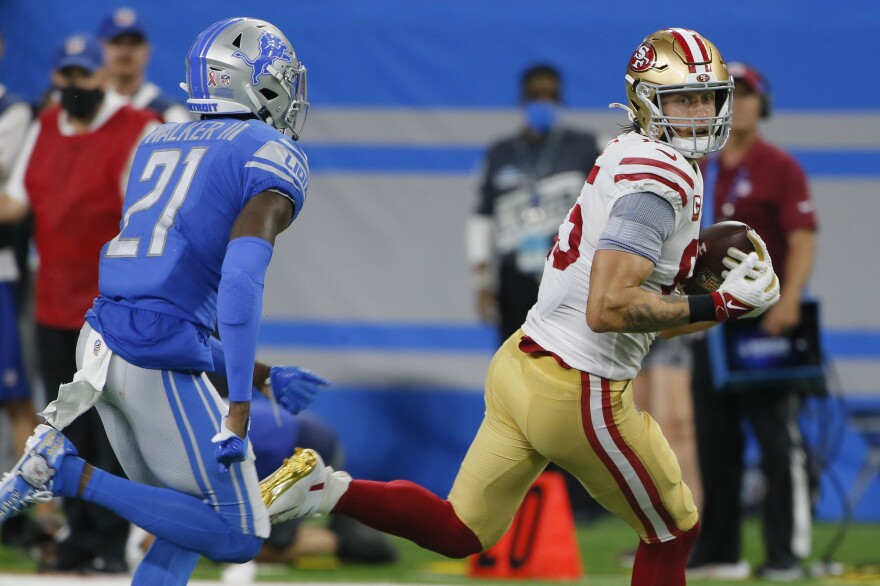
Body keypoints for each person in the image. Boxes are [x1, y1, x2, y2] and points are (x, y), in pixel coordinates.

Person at [259, 29, 781, 586]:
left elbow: (634, 320)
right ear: (646, 101)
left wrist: (705, 305)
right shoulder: (660, 181)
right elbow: (608, 310)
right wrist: (719, 303)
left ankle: (325, 488)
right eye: (682, 99)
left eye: (707, 97)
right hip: (580, 387)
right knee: (673, 530)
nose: (699, 112)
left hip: (523, 365)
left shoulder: (631, 152)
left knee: (460, 530)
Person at [0, 17, 319, 585]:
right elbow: (241, 284)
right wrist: (239, 404)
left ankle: (70, 475)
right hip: (153, 355)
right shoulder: (265, 151)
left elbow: (159, 293)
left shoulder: (159, 139)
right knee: (240, 531)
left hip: (101, 338)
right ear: (252, 81)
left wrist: (263, 375)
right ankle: (66, 473)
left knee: (187, 520)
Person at [0, 33, 162, 574]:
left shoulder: (139, 131)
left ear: (102, 77)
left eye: (84, 76)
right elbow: (17, 203)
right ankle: (77, 536)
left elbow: (154, 218)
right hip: (52, 302)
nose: (74, 86)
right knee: (65, 426)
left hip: (110, 307)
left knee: (111, 431)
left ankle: (112, 542)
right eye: (66, 76)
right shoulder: (45, 127)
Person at [686, 62, 819, 582]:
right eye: (728, 95)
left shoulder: (779, 167)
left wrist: (791, 300)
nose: (737, 103)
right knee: (713, 442)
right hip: (710, 325)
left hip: (765, 325)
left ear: (763, 104)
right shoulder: (699, 165)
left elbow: (803, 237)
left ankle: (784, 554)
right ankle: (721, 550)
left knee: (776, 443)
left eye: (746, 95)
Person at [466, 63, 601, 343]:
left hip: (569, 272)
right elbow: (482, 217)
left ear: (559, 100)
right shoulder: (501, 153)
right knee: (514, 357)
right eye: (536, 96)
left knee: (566, 355)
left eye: (550, 96)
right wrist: (481, 281)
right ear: (523, 100)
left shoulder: (586, 147)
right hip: (515, 272)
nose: (543, 103)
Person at [98, 7, 192, 123]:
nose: (125, 51)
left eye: (134, 43)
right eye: (117, 42)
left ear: (147, 50)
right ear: (101, 49)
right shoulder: (90, 110)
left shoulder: (168, 113)